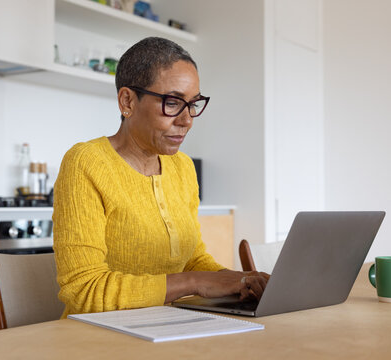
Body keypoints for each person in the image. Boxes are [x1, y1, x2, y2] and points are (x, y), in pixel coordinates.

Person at [52, 37, 270, 315]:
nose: (187, 120)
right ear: (127, 101)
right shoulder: (86, 163)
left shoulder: (183, 168)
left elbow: (192, 259)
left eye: (193, 104)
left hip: (170, 325)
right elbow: (84, 290)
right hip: (100, 338)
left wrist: (241, 282)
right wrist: (194, 282)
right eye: (172, 102)